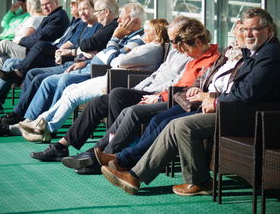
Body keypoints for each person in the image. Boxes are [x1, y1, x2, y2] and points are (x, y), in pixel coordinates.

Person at [100, 8, 280, 196]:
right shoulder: (258, 52)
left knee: (181, 125)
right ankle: (136, 175)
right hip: (235, 110)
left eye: (255, 29)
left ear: (269, 30)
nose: (248, 34)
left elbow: (245, 94)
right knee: (173, 123)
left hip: (252, 118)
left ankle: (197, 181)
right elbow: (239, 89)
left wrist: (215, 101)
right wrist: (212, 97)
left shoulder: (270, 56)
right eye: (245, 29)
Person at [58, 18, 220, 174]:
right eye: (173, 42)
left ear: (196, 41)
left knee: (132, 111)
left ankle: (104, 156)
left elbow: (181, 87)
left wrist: (158, 96)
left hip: (173, 99)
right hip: (161, 92)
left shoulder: (204, 59)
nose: (176, 47)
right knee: (113, 99)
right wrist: (140, 89)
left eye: (177, 42)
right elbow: (160, 74)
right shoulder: (191, 56)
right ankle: (96, 151)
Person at [92, 21, 245, 171]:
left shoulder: (212, 59)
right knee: (122, 101)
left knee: (135, 112)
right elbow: (179, 81)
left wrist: (160, 96)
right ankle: (103, 149)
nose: (180, 50)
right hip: (174, 96)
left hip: (180, 100)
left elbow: (186, 86)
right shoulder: (196, 58)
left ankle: (113, 155)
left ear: (198, 42)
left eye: (181, 45)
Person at [14, 18, 170, 138]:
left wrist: (114, 41)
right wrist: (115, 57)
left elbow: (118, 61)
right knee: (70, 89)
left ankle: (46, 128)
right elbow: (113, 59)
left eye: (147, 31)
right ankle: (42, 120)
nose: (143, 33)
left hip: (118, 79)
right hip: (114, 75)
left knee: (72, 96)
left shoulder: (152, 48)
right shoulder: (147, 46)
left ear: (156, 37)